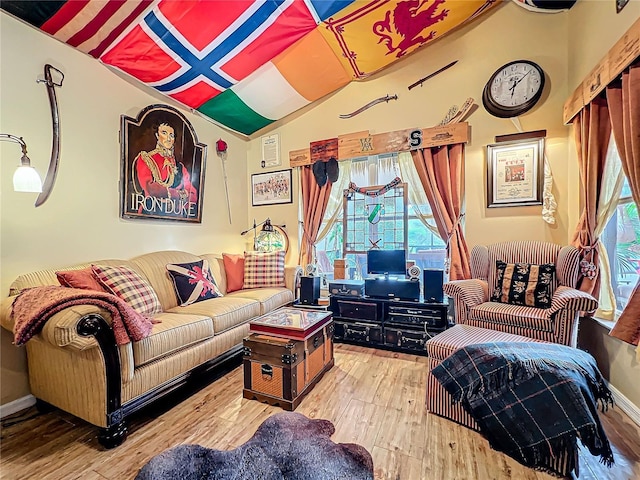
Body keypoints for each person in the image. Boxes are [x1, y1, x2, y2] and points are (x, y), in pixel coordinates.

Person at [133, 121, 198, 212]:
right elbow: (152, 189)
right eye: (164, 133)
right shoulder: (146, 159)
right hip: (151, 213)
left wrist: (172, 195)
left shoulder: (180, 167)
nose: (168, 138)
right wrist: (179, 194)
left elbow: (193, 195)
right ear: (157, 135)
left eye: (171, 135)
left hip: (176, 217)